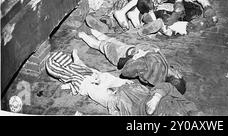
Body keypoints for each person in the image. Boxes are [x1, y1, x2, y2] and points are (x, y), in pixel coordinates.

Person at [46, 50, 199, 116]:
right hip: (135, 90)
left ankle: (76, 73)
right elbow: (167, 87)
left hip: (122, 105)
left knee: (89, 89)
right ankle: (81, 66)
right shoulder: (188, 106)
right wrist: (157, 97)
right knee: (103, 77)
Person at [77, 29, 186, 93]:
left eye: (181, 75)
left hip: (122, 56)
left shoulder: (154, 66)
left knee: (103, 46)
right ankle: (95, 32)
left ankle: (83, 36)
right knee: (113, 42)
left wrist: (136, 57)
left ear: (177, 75)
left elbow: (127, 71)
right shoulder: (161, 75)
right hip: (129, 50)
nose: (180, 72)